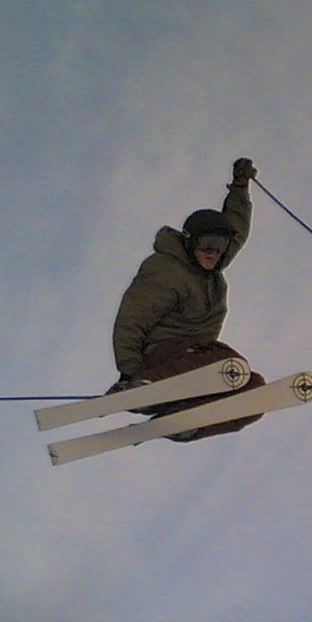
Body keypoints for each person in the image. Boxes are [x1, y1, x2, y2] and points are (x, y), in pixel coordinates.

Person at [109, 157, 265, 442]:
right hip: (161, 356)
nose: (213, 252)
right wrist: (130, 372)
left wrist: (240, 187)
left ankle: (186, 422)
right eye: (207, 245)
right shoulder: (168, 269)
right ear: (190, 241)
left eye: (221, 246)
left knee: (252, 387)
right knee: (227, 362)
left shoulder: (211, 265)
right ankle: (149, 391)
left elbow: (237, 228)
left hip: (193, 365)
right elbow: (132, 319)